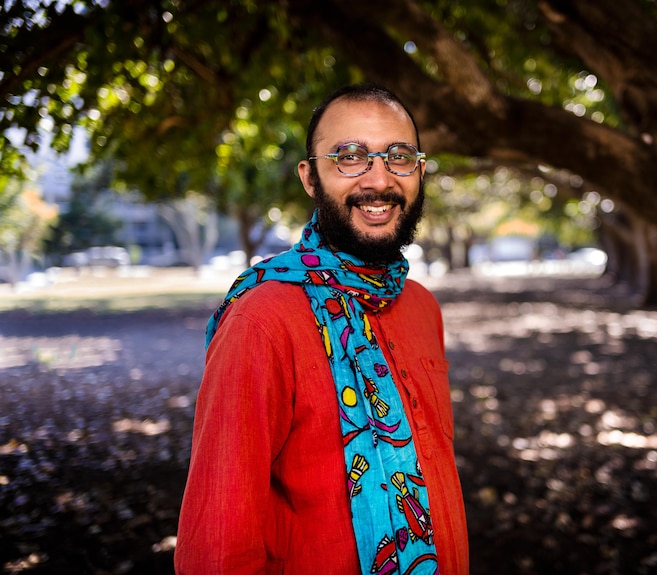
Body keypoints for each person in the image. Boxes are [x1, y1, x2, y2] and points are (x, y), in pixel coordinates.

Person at [175, 84, 470, 574]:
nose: (379, 180)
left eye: (399, 156)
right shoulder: (261, 320)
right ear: (310, 178)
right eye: (349, 156)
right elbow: (218, 544)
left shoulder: (422, 307)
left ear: (419, 170)